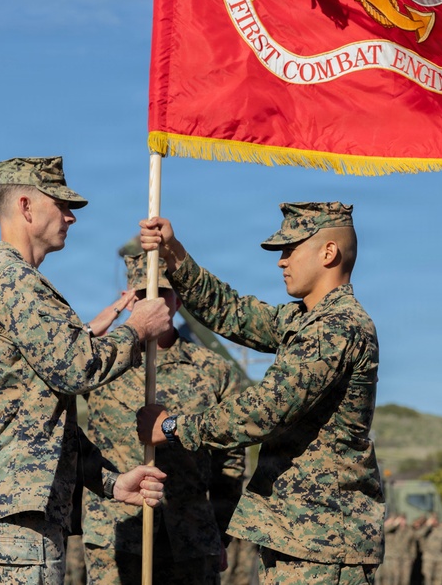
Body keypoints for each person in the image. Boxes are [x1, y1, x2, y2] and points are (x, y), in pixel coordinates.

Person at [0, 156, 171, 585]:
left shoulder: (9, 280)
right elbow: (76, 368)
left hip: (17, 512)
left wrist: (111, 482)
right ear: (26, 207)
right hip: (15, 516)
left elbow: (43, 423)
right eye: (61, 205)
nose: (71, 217)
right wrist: (137, 329)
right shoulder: (13, 281)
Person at [137, 202, 384, 585]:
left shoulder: (336, 327)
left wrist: (172, 427)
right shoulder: (306, 320)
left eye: (291, 249)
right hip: (301, 536)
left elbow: (265, 410)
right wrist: (176, 255)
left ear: (328, 253)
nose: (281, 261)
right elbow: (232, 313)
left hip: (324, 541)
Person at [81, 253, 246, 585]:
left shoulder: (212, 370)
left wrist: (220, 532)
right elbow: (50, 382)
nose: (153, 301)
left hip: (191, 538)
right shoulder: (101, 360)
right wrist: (89, 333)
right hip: (115, 535)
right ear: (129, 299)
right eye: (143, 294)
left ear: (178, 300)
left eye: (163, 293)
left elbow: (230, 460)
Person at [417, 514, 442, 585]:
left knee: (439, 579)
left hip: (441, 558)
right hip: (429, 557)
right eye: (432, 519)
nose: (434, 521)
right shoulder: (426, 529)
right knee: (427, 578)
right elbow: (418, 535)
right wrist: (428, 526)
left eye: (435, 519)